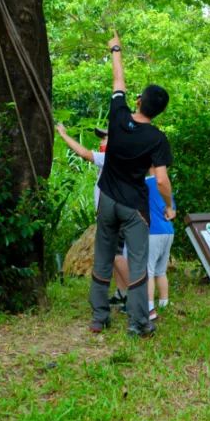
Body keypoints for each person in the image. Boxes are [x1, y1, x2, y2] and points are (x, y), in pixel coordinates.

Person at [88, 32, 174, 337]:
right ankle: (138, 323)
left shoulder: (118, 114)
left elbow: (118, 80)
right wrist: (168, 206)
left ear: (138, 101)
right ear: (159, 112)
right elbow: (161, 179)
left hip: (107, 200)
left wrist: (116, 48)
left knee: (103, 256)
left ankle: (99, 318)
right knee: (138, 263)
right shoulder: (157, 138)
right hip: (133, 207)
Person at [55, 123, 130, 304]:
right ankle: (122, 294)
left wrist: (63, 135)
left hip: (115, 216)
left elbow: (84, 153)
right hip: (111, 215)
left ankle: (136, 295)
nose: (101, 142)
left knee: (117, 255)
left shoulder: (113, 158)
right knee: (115, 255)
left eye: (105, 138)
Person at [144, 169, 175, 321]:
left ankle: (149, 305)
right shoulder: (166, 185)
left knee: (148, 270)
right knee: (161, 271)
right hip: (168, 230)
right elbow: (172, 210)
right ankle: (164, 301)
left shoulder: (146, 183)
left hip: (153, 231)